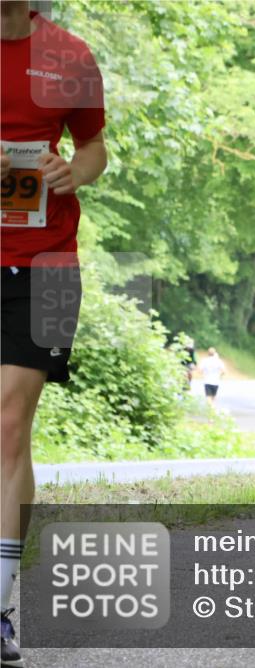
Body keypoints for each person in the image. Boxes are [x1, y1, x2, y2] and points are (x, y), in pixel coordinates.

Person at [1, 3, 108, 665]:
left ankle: (2, 606)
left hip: (47, 267)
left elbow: (94, 145)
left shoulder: (69, 56)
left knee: (9, 428)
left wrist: (78, 169)